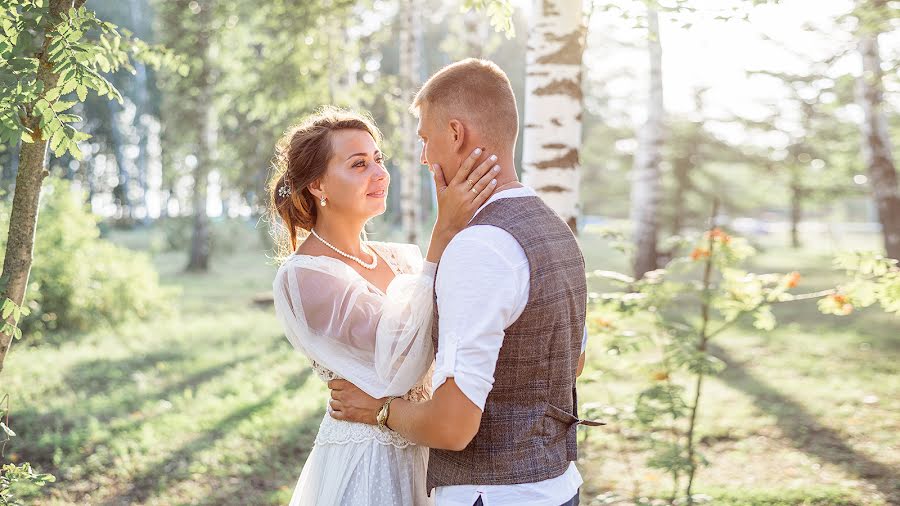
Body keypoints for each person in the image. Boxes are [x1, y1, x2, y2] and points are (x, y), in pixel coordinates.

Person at [328, 58, 595, 506]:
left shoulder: (480, 247)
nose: (424, 157)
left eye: (426, 139)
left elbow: (453, 427)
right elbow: (574, 360)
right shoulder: (554, 229)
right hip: (558, 488)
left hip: (491, 496)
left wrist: (378, 410)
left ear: (456, 134)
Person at [269, 105, 503, 505]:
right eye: (358, 164)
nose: (379, 174)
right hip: (370, 460)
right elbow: (401, 362)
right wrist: (443, 232)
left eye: (378, 159)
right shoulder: (306, 276)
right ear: (317, 185)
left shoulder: (400, 259)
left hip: (427, 446)